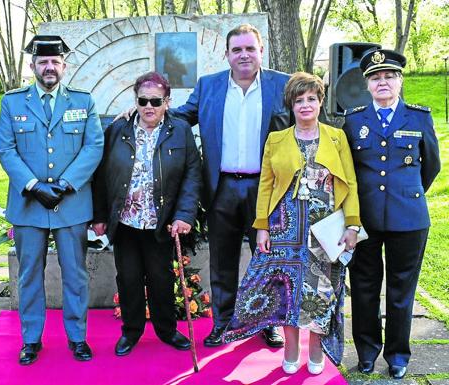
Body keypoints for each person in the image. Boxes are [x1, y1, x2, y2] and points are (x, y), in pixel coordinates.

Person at [223, 72, 361, 375]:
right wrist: (261, 226)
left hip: (325, 228)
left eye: (311, 98)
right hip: (284, 225)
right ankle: (290, 348)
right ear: (291, 105)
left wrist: (352, 224)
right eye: (299, 100)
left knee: (320, 290)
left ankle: (315, 348)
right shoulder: (277, 139)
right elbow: (266, 185)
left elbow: (349, 181)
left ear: (320, 102)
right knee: (286, 290)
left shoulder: (337, 137)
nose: (306, 105)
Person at [171, 24, 290, 348]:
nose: (244, 55)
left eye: (250, 48)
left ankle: (269, 322)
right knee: (222, 260)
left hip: (266, 190)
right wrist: (146, 112)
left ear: (261, 51)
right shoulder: (209, 86)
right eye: (237, 49)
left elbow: (305, 122)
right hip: (221, 187)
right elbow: (182, 117)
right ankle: (223, 323)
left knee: (267, 258)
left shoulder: (282, 85)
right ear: (226, 54)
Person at [0, 35, 104, 365]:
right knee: (29, 275)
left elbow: (93, 146)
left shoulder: (83, 102)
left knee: (75, 274)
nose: (49, 67)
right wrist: (32, 185)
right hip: (29, 205)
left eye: (55, 61)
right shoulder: (13, 103)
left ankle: (77, 337)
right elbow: (6, 148)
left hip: (71, 204)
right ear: (33, 67)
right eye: (43, 62)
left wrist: (67, 184)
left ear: (64, 66)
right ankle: (31, 339)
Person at [342, 49, 441, 379]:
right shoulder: (354, 120)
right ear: (367, 85)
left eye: (388, 76)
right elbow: (348, 172)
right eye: (375, 77)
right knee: (364, 288)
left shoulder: (418, 117)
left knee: (401, 291)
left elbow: (432, 166)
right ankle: (367, 352)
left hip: (409, 218)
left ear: (400, 80)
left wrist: (407, 196)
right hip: (365, 220)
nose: (382, 82)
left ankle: (398, 355)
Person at [92, 72, 201, 356]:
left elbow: (192, 175)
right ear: (135, 100)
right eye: (143, 100)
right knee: (127, 279)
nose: (149, 106)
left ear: (167, 101)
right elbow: (101, 176)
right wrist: (100, 216)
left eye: (155, 101)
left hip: (160, 222)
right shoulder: (117, 130)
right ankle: (131, 331)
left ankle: (166, 330)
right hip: (126, 222)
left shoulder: (180, 130)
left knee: (161, 279)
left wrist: (185, 215)